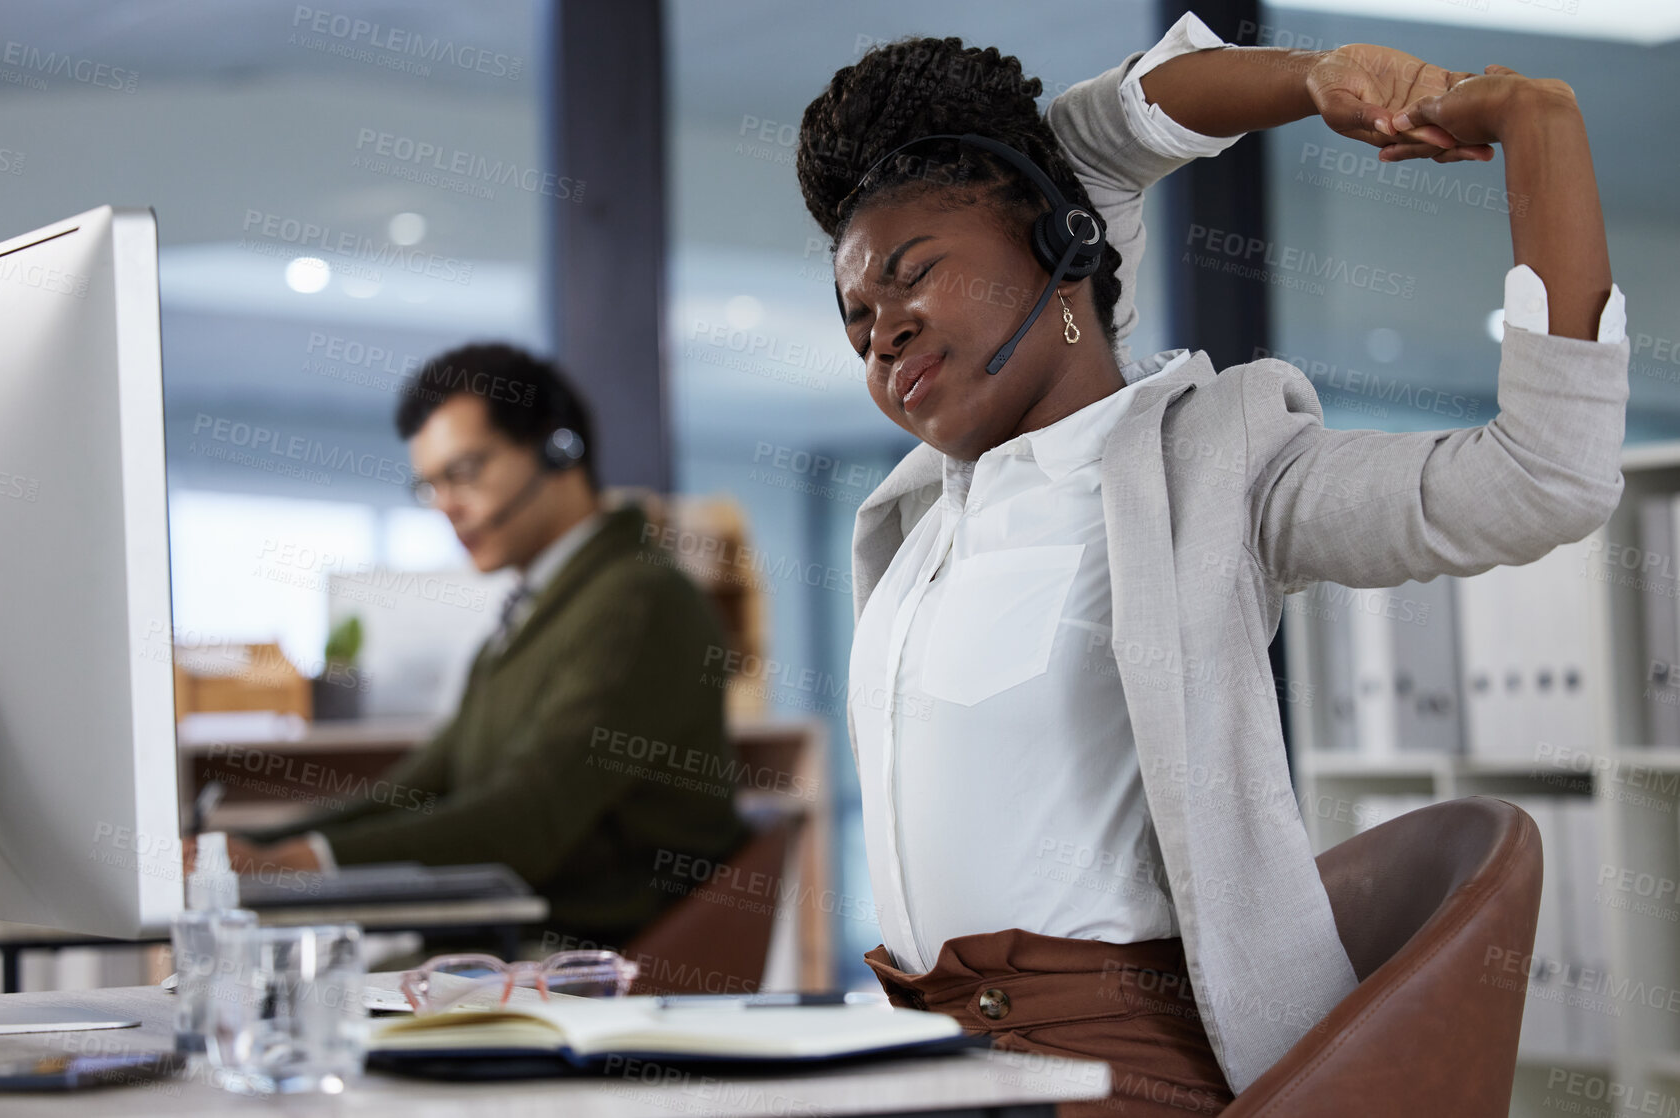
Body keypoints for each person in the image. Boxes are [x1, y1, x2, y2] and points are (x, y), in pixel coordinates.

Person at [795, 12, 1624, 1114]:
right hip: (929, 1063)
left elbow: (1544, 477)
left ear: (1062, 242)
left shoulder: (1211, 474)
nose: (883, 332)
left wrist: (1538, 129)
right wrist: (1305, 76)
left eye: (912, 279)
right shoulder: (915, 521)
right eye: (857, 322)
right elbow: (1086, 144)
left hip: (1104, 1077)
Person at [222, 342, 752, 951]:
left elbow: (527, 818)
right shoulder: (537, 611)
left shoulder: (637, 600)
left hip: (589, 964)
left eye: (465, 472)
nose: (446, 506)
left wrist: (305, 861)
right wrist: (258, 853)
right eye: (431, 486)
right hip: (511, 944)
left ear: (561, 450)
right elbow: (420, 788)